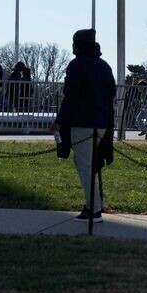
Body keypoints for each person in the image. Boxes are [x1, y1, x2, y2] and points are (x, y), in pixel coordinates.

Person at [54, 29, 116, 222]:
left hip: (82, 122)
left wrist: (59, 121)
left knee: (84, 166)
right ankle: (93, 204)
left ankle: (93, 209)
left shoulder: (76, 65)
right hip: (102, 123)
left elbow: (70, 97)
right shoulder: (104, 66)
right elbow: (111, 94)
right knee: (91, 165)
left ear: (78, 45)